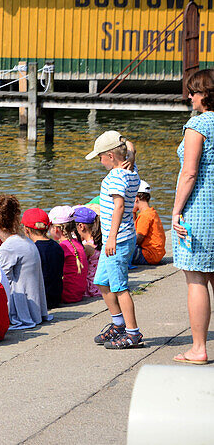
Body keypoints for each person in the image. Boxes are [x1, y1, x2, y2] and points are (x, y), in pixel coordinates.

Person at [86, 130, 144, 349]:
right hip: (119, 237)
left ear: (111, 156)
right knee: (102, 281)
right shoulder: (131, 169)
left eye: (100, 157)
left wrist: (110, 238)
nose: (99, 161)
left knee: (120, 287)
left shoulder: (118, 176)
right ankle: (119, 324)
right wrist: (131, 157)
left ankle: (133, 333)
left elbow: (119, 206)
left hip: (117, 239)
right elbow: (129, 144)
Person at [172, 69, 214, 364]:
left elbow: (189, 172)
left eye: (194, 92)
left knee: (196, 278)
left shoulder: (197, 125)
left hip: (200, 211)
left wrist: (175, 212)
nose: (190, 96)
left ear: (205, 95)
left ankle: (199, 348)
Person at [0, 194, 49, 329]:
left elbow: (0, 283)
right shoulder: (24, 239)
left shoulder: (10, 247)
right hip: (35, 309)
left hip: (23, 311)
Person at [23, 208, 64, 309]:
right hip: (55, 298)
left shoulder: (32, 250)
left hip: (40, 300)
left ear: (26, 229)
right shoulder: (57, 247)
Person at [50, 206, 90, 304]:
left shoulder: (62, 247)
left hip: (66, 295)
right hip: (77, 294)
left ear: (56, 229)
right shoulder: (77, 243)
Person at [132, 181, 166, 266]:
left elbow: (138, 239)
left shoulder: (145, 216)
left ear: (136, 199)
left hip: (148, 255)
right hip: (156, 254)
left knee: (121, 249)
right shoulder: (151, 212)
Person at [74, 206, 103, 299]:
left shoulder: (87, 248)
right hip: (102, 284)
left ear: (81, 226)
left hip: (92, 288)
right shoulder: (100, 241)